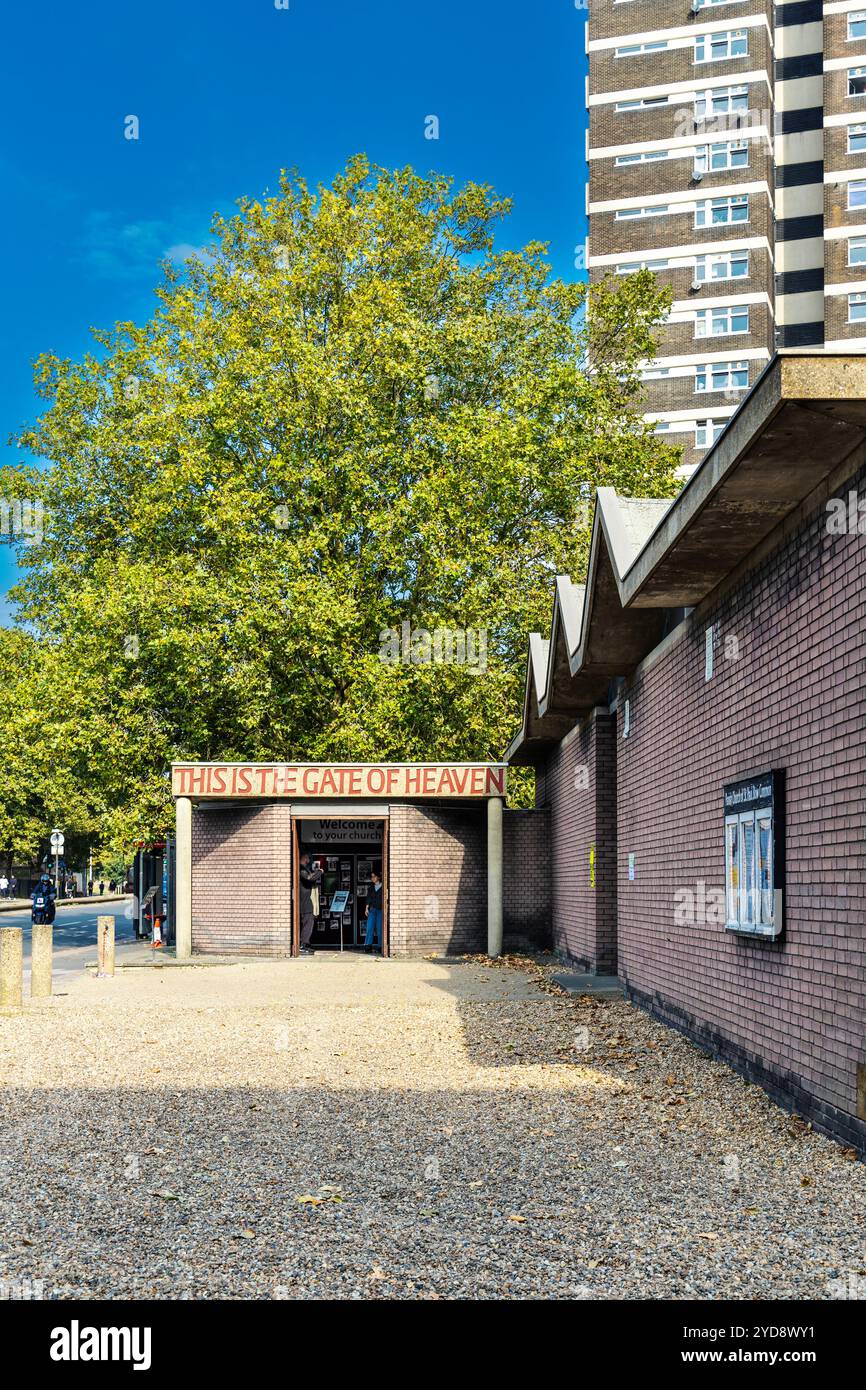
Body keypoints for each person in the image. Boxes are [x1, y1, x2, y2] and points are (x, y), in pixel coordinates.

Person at [298, 853, 323, 956]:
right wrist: (320, 872)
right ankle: (302, 946)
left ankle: (305, 944)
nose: (309, 860)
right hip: (305, 903)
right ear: (304, 858)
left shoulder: (302, 868)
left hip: (306, 902)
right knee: (307, 924)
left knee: (308, 924)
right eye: (308, 858)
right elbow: (310, 878)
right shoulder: (301, 869)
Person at [364, 870, 383, 954]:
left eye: (374, 876)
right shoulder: (371, 888)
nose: (372, 878)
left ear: (378, 877)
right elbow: (368, 899)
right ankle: (368, 946)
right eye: (371, 877)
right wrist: (366, 908)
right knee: (369, 928)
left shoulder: (383, 887)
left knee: (380, 929)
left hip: (380, 910)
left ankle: (380, 946)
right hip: (372, 910)